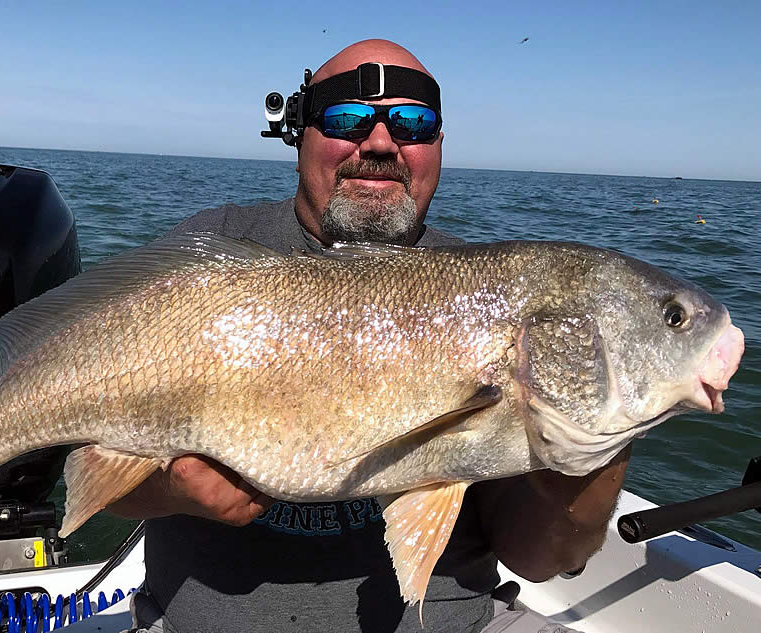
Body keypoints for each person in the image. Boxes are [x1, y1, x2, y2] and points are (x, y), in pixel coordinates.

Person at [106, 39, 630, 633]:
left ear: (438, 147)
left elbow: (540, 559)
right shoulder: (206, 259)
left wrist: (599, 436)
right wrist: (170, 493)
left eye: (414, 123)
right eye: (346, 119)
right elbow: (92, 469)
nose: (381, 142)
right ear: (299, 133)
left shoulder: (493, 292)